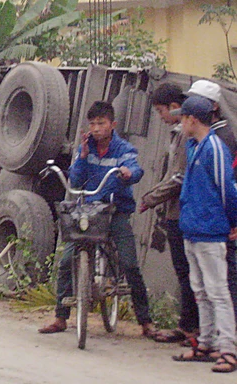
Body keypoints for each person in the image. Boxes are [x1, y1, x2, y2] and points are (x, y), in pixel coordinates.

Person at [39, 101, 157, 338]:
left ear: (112, 124)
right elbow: (75, 180)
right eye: (92, 123)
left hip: (114, 211)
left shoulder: (124, 148)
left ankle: (145, 322)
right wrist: (82, 156)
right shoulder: (84, 147)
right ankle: (61, 317)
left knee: (129, 264)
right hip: (87, 211)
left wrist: (129, 173)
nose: (96, 128)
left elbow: (135, 169)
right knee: (65, 261)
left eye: (101, 123)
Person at [169, 95, 237, 372]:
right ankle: (207, 342)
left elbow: (227, 189)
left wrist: (232, 221)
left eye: (182, 118)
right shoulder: (195, 145)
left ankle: (229, 348)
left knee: (218, 291)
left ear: (192, 119)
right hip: (194, 228)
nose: (180, 122)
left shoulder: (214, 148)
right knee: (201, 290)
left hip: (209, 230)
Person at [138, 83, 198, 343]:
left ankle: (190, 329)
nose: (161, 117)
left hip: (182, 214)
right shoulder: (179, 133)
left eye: (162, 110)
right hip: (177, 212)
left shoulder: (186, 135)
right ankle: (189, 326)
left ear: (175, 107)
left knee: (188, 275)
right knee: (186, 274)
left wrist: (151, 198)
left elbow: (179, 177)